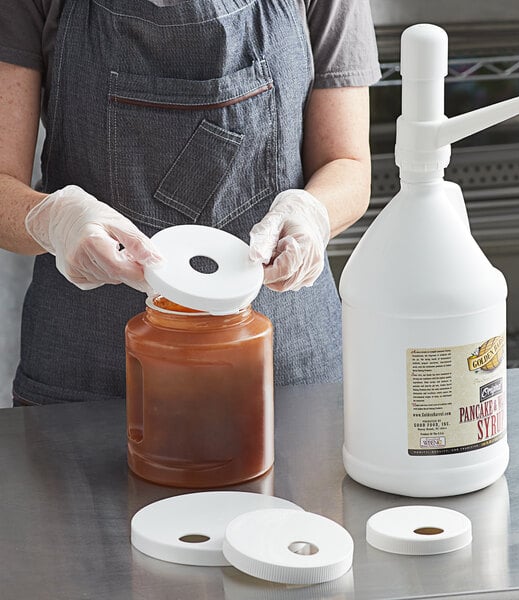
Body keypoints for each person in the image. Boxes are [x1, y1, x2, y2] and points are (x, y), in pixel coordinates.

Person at [0, 0, 381, 406]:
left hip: (286, 374)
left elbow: (348, 164)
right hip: (87, 378)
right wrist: (54, 222)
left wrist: (311, 215)